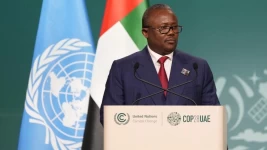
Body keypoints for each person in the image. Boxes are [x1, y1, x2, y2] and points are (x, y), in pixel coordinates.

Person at [100, 4, 221, 125]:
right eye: (164, 28)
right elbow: (109, 118)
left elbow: (213, 118)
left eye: (174, 27)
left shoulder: (197, 68)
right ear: (145, 32)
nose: (171, 33)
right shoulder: (123, 68)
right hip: (140, 142)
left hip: (187, 142)